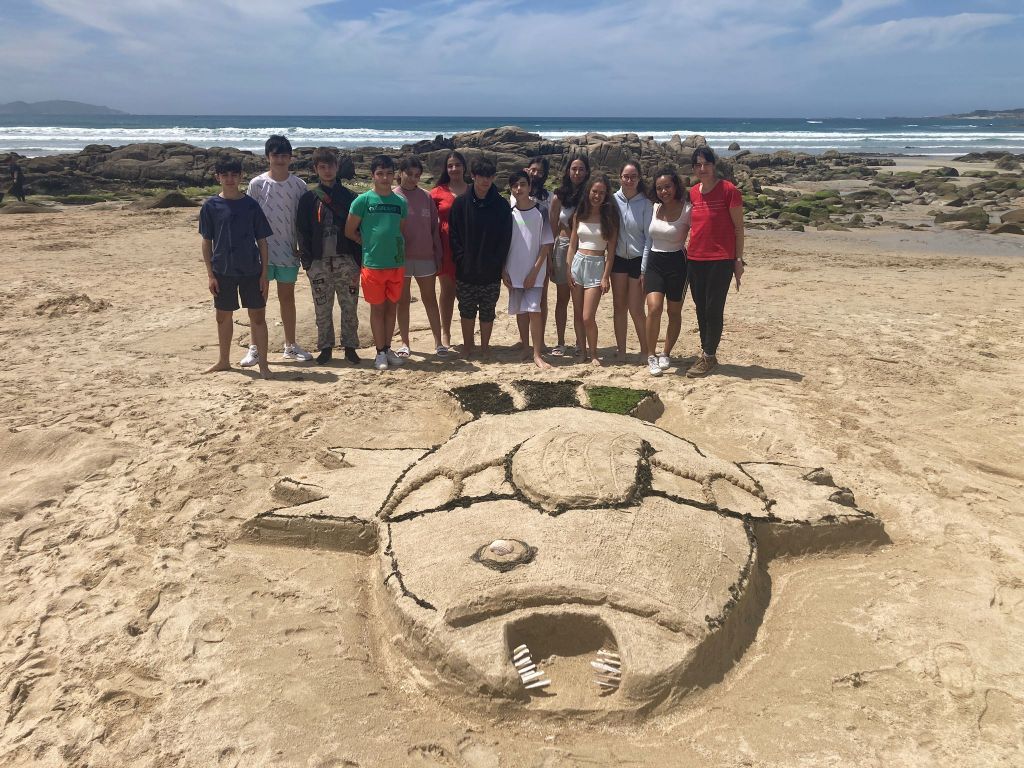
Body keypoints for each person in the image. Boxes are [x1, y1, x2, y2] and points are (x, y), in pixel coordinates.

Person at [199, 156, 272, 379]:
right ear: (218, 177)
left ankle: (263, 365)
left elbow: (262, 241)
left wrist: (264, 273)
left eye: (234, 175)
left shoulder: (251, 205)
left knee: (257, 317)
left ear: (240, 177)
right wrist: (210, 274)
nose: (229, 179)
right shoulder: (211, 206)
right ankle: (223, 360)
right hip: (223, 270)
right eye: (225, 175)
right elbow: (206, 241)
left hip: (251, 269)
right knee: (223, 316)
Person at [243, 135, 312, 366]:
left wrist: (303, 246)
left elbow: (303, 220)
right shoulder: (257, 184)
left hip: (288, 251)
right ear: (267, 157)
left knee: (287, 298)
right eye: (275, 155)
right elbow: (249, 219)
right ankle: (254, 348)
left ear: (291, 158)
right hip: (260, 253)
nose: (280, 160)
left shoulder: (299, 185)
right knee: (258, 300)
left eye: (284, 155)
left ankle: (290, 346)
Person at [295, 146, 362, 365]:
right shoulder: (308, 199)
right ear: (316, 169)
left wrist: (358, 261)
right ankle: (325, 347)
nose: (327, 171)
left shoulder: (352, 197)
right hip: (319, 261)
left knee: (349, 306)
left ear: (337, 167)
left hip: (346, 261)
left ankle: (350, 346)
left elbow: (359, 230)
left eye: (330, 166)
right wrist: (308, 263)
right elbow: (302, 232)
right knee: (322, 307)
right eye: (322, 167)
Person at [345, 154, 408, 371]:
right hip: (373, 265)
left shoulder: (400, 202)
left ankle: (388, 348)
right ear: (373, 175)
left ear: (394, 175)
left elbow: (400, 229)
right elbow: (349, 230)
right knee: (378, 310)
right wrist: (367, 242)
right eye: (380, 174)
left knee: (392, 309)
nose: (384, 178)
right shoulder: (362, 200)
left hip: (396, 264)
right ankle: (380, 352)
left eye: (389, 173)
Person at [686, 145, 744, 377]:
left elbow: (739, 228)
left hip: (721, 258)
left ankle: (709, 356)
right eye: (698, 165)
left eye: (707, 164)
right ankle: (707, 353)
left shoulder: (729, 190)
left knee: (713, 308)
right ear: (694, 168)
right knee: (700, 307)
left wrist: (738, 259)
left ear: (714, 165)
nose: (703, 169)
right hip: (695, 258)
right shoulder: (692, 192)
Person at [449, 157, 513, 360]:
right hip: (466, 269)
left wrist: (498, 263)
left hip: (491, 270)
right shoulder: (460, 203)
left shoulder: (501, 205)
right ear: (473, 176)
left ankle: (485, 347)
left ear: (494, 177)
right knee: (466, 310)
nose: (486, 181)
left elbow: (506, 238)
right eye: (481, 176)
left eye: (490, 176)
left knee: (488, 311)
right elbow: (454, 235)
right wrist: (460, 258)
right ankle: (468, 346)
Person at [393, 156, 446, 357]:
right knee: (402, 301)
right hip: (402, 259)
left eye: (417, 175)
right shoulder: (393, 196)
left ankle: (439, 342)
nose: (413, 178)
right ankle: (405, 343)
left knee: (430, 299)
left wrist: (438, 254)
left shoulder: (426, 197)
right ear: (401, 173)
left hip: (426, 257)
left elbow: (435, 229)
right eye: (409, 174)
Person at [643, 166, 690, 377]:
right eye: (660, 188)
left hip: (677, 263)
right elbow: (647, 239)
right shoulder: (653, 208)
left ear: (675, 186)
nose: (664, 191)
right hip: (655, 261)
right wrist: (643, 267)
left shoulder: (688, 209)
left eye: (668, 187)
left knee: (674, 311)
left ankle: (666, 353)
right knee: (653, 308)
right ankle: (651, 355)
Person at [566, 174, 618, 366]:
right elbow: (572, 245)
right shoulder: (579, 214)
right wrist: (568, 268)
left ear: (606, 195)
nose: (597, 196)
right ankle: (583, 352)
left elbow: (610, 253)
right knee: (578, 314)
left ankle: (594, 353)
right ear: (588, 192)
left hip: (597, 265)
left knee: (588, 316)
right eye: (594, 191)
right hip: (578, 263)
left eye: (601, 193)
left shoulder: (610, 217)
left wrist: (606, 277)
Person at [504, 171, 554, 370]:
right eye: (515, 185)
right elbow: (503, 244)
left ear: (529, 187)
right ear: (511, 189)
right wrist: (503, 270)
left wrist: (535, 271)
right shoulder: (508, 212)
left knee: (534, 310)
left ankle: (537, 353)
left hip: (535, 272)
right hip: (512, 269)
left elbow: (546, 245)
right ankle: (525, 347)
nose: (519, 189)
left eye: (522, 185)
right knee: (521, 312)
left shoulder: (541, 211)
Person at [548, 156, 590, 355]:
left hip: (585, 248)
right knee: (562, 298)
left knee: (579, 300)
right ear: (567, 171)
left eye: (581, 169)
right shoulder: (558, 197)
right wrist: (549, 255)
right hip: (564, 246)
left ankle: (580, 342)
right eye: (574, 169)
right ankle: (561, 341)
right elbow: (553, 228)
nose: (577, 173)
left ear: (587, 172)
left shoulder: (591, 194)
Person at [612, 161, 652, 363]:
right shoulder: (612, 200)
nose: (629, 180)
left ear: (639, 178)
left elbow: (648, 238)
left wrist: (644, 269)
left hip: (638, 261)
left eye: (633, 176)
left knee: (636, 309)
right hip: (618, 260)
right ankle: (621, 350)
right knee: (619, 307)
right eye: (626, 176)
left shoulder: (645, 203)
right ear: (620, 177)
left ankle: (646, 350)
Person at [429, 151, 468, 350]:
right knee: (447, 291)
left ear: (464, 167)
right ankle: (446, 332)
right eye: (450, 165)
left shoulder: (473, 189)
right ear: (446, 168)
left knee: (466, 291)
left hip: (468, 247)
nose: (454, 169)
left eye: (457, 165)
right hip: (444, 245)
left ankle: (467, 334)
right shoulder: (437, 192)